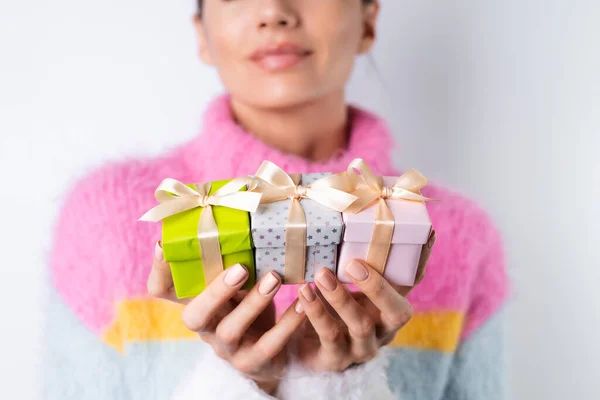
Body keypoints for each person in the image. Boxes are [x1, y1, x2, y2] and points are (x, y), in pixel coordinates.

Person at [47, 1, 509, 399]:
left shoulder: (455, 234)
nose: (274, 12)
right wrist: (237, 382)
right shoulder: (110, 217)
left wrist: (343, 385)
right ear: (202, 33)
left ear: (368, 20)